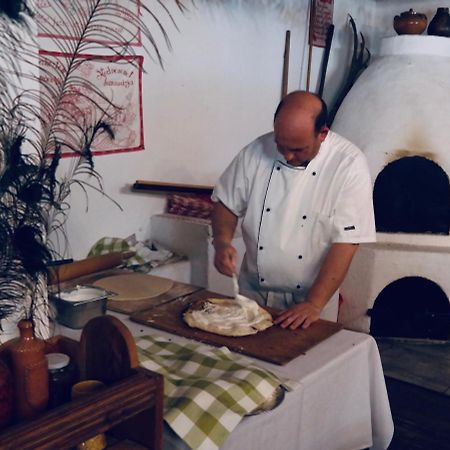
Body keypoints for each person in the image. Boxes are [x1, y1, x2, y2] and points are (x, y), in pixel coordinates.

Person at [211, 90, 376, 330]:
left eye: (298, 149)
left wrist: (314, 304)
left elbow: (347, 242)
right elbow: (225, 202)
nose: (287, 155)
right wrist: (222, 241)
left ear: (323, 133)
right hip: (253, 292)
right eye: (281, 145)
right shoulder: (255, 152)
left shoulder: (348, 164)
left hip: (311, 301)